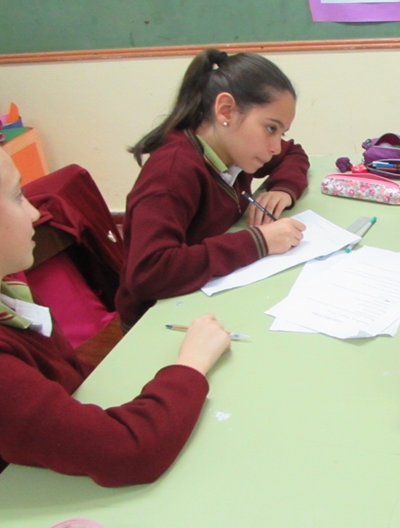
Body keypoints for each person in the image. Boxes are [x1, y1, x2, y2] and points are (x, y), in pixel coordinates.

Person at [0, 122, 232, 521]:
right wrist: (191, 365)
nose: (35, 212)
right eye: (17, 196)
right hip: (27, 522)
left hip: (57, 480)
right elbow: (130, 451)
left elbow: (63, 394)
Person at [117, 48, 310, 327]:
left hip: (207, 293)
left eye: (282, 133)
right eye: (271, 128)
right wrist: (257, 241)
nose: (276, 146)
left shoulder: (233, 150)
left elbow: (293, 154)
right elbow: (149, 273)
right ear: (226, 111)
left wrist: (284, 189)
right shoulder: (171, 173)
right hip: (157, 320)